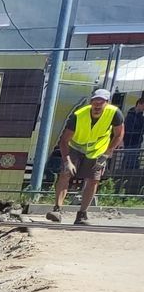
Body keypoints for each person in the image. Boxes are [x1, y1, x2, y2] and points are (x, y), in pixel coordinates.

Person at [50, 88, 121, 226]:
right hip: (76, 146)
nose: (97, 104)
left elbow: (119, 134)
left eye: (101, 101)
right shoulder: (79, 115)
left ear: (107, 103)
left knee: (94, 180)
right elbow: (64, 140)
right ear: (91, 102)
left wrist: (106, 154)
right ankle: (57, 210)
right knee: (65, 173)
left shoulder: (114, 114)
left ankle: (82, 215)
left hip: (97, 149)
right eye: (95, 101)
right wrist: (67, 161)